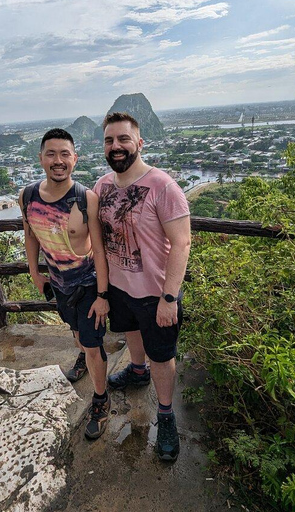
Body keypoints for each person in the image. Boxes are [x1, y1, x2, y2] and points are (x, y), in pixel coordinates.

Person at [93, 112, 191, 461]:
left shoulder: (163, 186)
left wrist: (169, 297)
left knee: (162, 356)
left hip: (155, 291)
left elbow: (181, 244)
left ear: (139, 143)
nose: (116, 146)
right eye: (109, 140)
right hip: (119, 287)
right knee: (130, 331)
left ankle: (165, 414)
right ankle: (136, 371)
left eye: (122, 139)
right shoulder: (102, 186)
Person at [20, 128, 112, 440]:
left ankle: (101, 399)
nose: (58, 161)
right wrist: (35, 272)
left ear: (74, 159)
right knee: (77, 336)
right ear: (41, 158)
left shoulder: (86, 199)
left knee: (92, 344)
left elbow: (98, 249)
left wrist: (102, 295)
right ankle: (84, 355)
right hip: (59, 286)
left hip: (87, 285)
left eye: (64, 154)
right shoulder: (28, 196)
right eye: (51, 154)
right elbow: (30, 234)